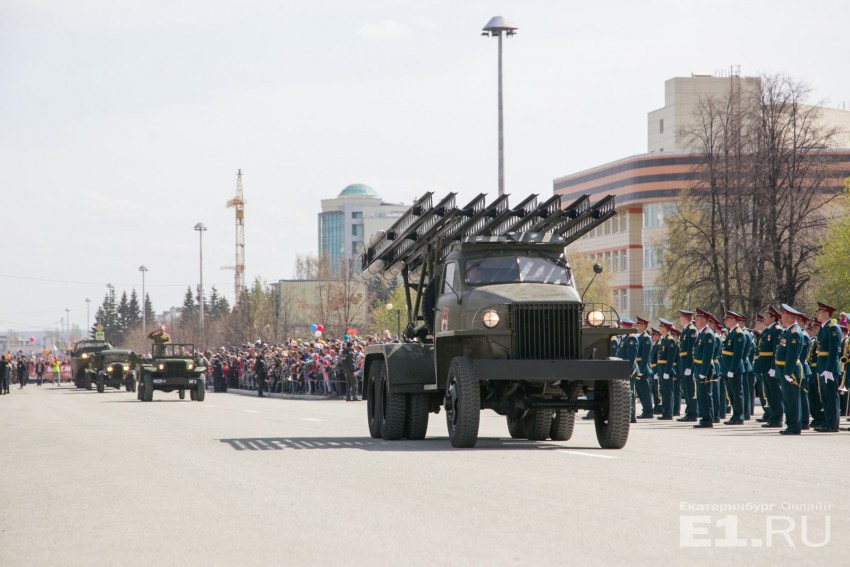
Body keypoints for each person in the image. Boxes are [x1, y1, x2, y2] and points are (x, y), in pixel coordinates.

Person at [775, 304, 805, 435]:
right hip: (785, 369)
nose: (781, 318)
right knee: (788, 399)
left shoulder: (794, 332)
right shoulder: (789, 331)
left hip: (790, 370)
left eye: (783, 315)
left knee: (792, 399)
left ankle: (794, 426)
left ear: (788, 317)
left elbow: (792, 355)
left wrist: (787, 372)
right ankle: (791, 424)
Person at [814, 301, 842, 432]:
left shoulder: (833, 328)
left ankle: (832, 424)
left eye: (819, 312)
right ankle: (827, 421)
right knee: (824, 397)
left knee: (831, 397)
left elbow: (833, 351)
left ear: (826, 313)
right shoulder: (824, 327)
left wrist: (829, 370)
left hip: (828, 368)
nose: (817, 314)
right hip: (822, 366)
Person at [719, 310, 745, 425]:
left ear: (734, 320)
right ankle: (735, 415)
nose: (725, 321)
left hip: (734, 369)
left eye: (728, 319)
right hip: (727, 368)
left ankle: (739, 416)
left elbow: (738, 354)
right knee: (731, 393)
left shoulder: (739, 333)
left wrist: (732, 370)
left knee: (737, 393)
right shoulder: (731, 333)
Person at [692, 308, 716, 428]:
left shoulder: (708, 334)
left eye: (697, 318)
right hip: (699, 368)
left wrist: (703, 371)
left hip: (704, 369)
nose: (695, 320)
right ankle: (704, 418)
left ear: (703, 320)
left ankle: (708, 419)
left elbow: (707, 355)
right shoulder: (702, 333)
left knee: (706, 395)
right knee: (701, 395)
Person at [676, 309, 699, 422]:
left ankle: (693, 413)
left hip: (687, 364)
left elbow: (691, 350)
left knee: (690, 390)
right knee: (686, 389)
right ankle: (689, 412)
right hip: (683, 362)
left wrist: (689, 366)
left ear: (685, 318)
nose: (679, 319)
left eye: (680, 317)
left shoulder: (691, 330)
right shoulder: (685, 330)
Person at [655, 319, 677, 420]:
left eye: (661, 327)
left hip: (666, 369)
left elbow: (671, 358)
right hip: (661, 368)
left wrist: (667, 371)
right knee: (663, 391)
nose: (659, 329)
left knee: (668, 392)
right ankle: (665, 412)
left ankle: (668, 413)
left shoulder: (670, 340)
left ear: (665, 328)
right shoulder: (663, 340)